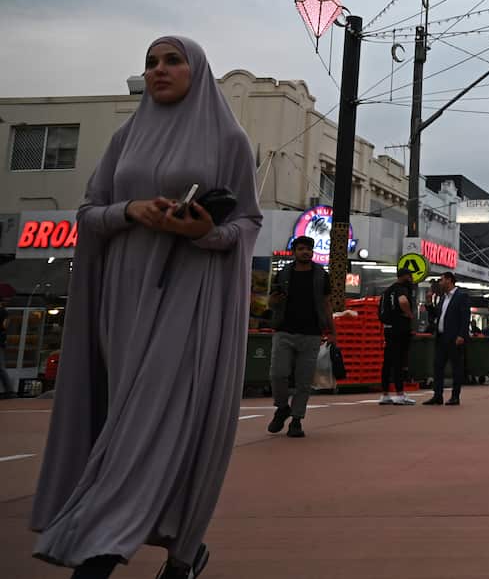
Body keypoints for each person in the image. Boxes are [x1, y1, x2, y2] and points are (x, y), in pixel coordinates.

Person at [30, 36, 262, 579]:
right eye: (151, 63)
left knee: (151, 417)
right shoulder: (125, 136)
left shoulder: (228, 137)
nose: (160, 70)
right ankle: (181, 549)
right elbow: (89, 213)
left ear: (196, 71)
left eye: (172, 60)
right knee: (125, 415)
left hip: (191, 297)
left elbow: (246, 222)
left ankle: (96, 550)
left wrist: (205, 231)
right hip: (123, 297)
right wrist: (132, 210)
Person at [266, 236, 334, 438]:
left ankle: (296, 420)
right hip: (284, 331)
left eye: (308, 249)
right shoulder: (283, 274)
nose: (305, 252)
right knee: (277, 374)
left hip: (311, 333)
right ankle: (282, 407)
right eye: (301, 248)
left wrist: (332, 332)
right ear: (294, 251)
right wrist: (273, 300)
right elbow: (270, 302)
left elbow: (327, 304)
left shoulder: (321, 275)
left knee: (304, 381)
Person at [424, 272, 468, 406]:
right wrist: (429, 302)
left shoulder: (461, 296)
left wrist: (461, 335)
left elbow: (465, 317)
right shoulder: (443, 298)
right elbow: (437, 315)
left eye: (442, 280)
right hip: (441, 337)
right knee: (438, 366)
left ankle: (455, 396)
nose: (440, 283)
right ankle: (437, 396)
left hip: (454, 338)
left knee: (456, 368)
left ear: (449, 280)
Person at [378, 265, 416, 406]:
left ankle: (385, 394)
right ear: (403, 276)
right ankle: (400, 395)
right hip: (400, 329)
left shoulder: (387, 291)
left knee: (387, 362)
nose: (411, 279)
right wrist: (409, 314)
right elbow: (403, 301)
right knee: (399, 361)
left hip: (388, 329)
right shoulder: (401, 289)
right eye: (409, 276)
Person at [0, 291, 15, 399]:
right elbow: (5, 326)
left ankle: (9, 390)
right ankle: (9, 390)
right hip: (1, 341)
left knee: (1, 367)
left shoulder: (3, 311)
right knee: (1, 367)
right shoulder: (5, 312)